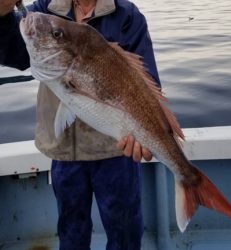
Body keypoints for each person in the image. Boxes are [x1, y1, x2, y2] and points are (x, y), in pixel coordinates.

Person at [0, 0, 161, 249]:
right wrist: (2, 13)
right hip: (65, 150)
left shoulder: (127, 16)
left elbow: (148, 84)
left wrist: (146, 132)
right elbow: (15, 51)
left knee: (125, 230)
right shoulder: (45, 9)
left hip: (116, 149)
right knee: (71, 230)